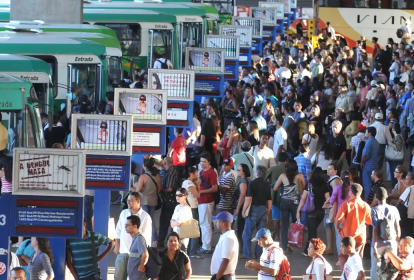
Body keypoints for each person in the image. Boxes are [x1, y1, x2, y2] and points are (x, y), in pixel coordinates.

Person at [114, 192, 152, 280]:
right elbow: (118, 230)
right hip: (123, 252)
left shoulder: (145, 217)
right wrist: (117, 245)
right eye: (127, 200)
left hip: (136, 256)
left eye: (130, 200)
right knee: (118, 277)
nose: (128, 202)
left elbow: (146, 238)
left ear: (138, 201)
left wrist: (144, 258)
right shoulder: (124, 213)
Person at [336, 183, 372, 270]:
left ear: (351, 192)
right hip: (360, 236)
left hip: (347, 236)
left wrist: (338, 228)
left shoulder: (345, 204)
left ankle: (346, 274)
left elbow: (338, 219)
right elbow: (369, 221)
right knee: (358, 258)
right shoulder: (365, 205)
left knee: (343, 256)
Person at [273, 159, 305, 252]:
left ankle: (283, 246)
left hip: (285, 202)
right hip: (295, 203)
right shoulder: (300, 176)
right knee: (295, 225)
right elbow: (303, 187)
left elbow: (275, 188)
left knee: (284, 225)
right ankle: (293, 243)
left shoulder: (283, 176)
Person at [297, 167, 330, 256]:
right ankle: (307, 250)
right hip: (320, 213)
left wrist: (298, 210)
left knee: (312, 233)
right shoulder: (325, 185)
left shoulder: (309, 185)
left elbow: (303, 198)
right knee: (313, 231)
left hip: (311, 212)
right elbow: (328, 199)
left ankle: (314, 251)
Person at [241, 166, 272, 259]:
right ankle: (259, 254)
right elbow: (269, 200)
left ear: (257, 173)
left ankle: (247, 253)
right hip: (263, 210)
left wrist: (244, 210)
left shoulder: (252, 183)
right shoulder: (267, 184)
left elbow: (248, 198)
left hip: (253, 209)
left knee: (247, 233)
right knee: (261, 234)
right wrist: (268, 213)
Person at [371, 187, 401, 280]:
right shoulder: (394, 209)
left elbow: (375, 229)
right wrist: (398, 243)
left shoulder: (374, 210)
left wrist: (374, 246)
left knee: (376, 268)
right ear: (387, 197)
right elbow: (397, 228)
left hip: (379, 243)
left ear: (376, 197)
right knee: (391, 269)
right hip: (392, 243)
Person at [197, 152, 218, 254]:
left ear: (209, 162)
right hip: (202, 201)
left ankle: (206, 246)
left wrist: (201, 192)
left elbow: (214, 188)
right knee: (204, 223)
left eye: (204, 162)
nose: (202, 164)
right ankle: (205, 244)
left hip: (206, 201)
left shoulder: (211, 173)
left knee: (205, 224)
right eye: (201, 162)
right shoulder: (201, 172)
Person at [210, 212, 239, 280]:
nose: (216, 223)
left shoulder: (228, 238)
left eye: (217, 222)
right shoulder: (227, 236)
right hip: (222, 275)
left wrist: (217, 277)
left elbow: (226, 260)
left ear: (222, 224)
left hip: (223, 277)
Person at [125, 215, 149, 280]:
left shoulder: (139, 239)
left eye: (128, 225)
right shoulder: (135, 239)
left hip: (138, 277)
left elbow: (145, 254)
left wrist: (141, 266)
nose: (125, 227)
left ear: (135, 226)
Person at [233, 163, 250, 254]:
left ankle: (242, 249)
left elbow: (242, 195)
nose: (237, 171)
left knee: (240, 229)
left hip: (242, 207)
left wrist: (238, 208)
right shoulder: (247, 180)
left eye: (239, 170)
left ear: (244, 172)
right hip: (245, 207)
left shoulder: (243, 181)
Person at [361, 127, 380, 201]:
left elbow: (364, 154)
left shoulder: (368, 142)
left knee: (367, 185)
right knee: (374, 185)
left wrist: (362, 162)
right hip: (375, 165)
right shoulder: (376, 142)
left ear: (370, 133)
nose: (365, 133)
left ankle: (368, 202)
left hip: (368, 166)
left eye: (366, 132)